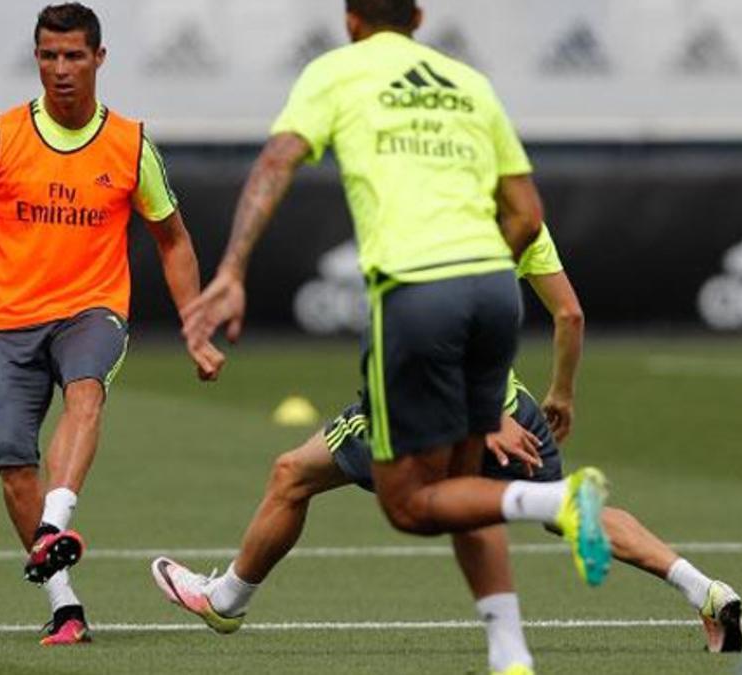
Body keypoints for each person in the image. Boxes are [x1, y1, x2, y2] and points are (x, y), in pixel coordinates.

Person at [179, 2, 612, 672]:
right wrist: (479, 270)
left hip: (417, 292)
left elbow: (277, 161)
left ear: (351, 20)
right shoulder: (468, 83)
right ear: (418, 16)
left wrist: (233, 267)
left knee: (409, 503)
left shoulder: (339, 71)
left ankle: (559, 498)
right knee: (466, 486)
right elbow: (527, 213)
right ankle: (510, 654)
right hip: (496, 289)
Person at [155, 224, 742, 654]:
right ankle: (705, 589)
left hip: (435, 405)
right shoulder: (523, 223)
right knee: (565, 512)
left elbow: (434, 329)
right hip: (514, 406)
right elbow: (570, 316)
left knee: (295, 473)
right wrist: (560, 393)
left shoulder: (434, 225)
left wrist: (485, 413)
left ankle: (227, 599)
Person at [0, 2, 224, 646]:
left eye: (74, 56)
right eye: (49, 56)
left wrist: (195, 325)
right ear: (36, 58)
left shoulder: (130, 145)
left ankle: (56, 521)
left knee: (85, 391)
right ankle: (65, 605)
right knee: (15, 465)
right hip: (8, 322)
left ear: (100, 59)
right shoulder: (2, 134)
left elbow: (173, 240)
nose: (61, 69)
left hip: (91, 310)